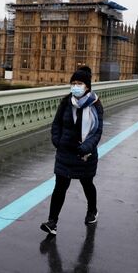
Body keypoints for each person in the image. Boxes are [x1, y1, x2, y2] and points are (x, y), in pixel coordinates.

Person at [41, 66, 104, 235]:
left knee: (87, 183)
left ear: (87, 87)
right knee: (60, 186)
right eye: (73, 83)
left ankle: (92, 211)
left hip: (85, 153)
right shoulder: (66, 102)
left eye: (80, 83)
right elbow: (57, 124)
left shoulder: (95, 104)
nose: (76, 86)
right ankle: (52, 222)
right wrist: (57, 141)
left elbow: (97, 131)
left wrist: (86, 147)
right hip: (65, 152)